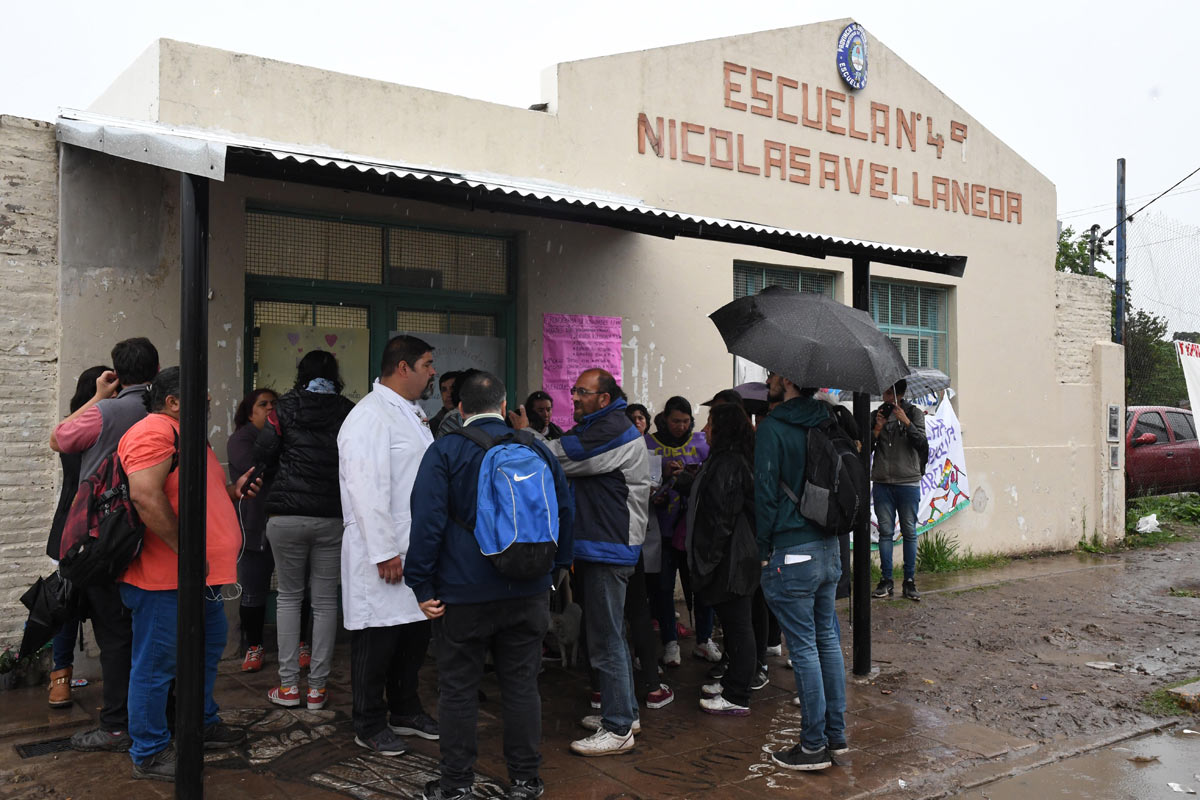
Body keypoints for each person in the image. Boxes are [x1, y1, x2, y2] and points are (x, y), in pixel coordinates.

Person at [407, 370, 574, 800]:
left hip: (463, 593)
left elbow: (426, 524)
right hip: (528, 589)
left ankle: (457, 785)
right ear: (504, 407)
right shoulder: (536, 449)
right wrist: (556, 569)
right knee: (521, 685)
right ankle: (524, 781)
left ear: (460, 409)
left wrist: (421, 585)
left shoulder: (444, 451)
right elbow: (565, 511)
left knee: (458, 688)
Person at [118, 367, 255, 781]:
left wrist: (231, 493)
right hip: (165, 579)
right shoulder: (154, 431)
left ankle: (200, 722)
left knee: (207, 651)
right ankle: (150, 749)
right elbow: (144, 494)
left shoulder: (187, 435)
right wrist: (188, 553)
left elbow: (189, 494)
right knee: (156, 665)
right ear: (174, 402)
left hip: (199, 579)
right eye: (203, 397)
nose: (211, 403)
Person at [513, 369, 650, 757]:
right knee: (610, 634)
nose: (573, 397)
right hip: (602, 545)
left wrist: (524, 432)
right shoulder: (601, 425)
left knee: (606, 637)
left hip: (610, 547)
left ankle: (618, 726)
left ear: (604, 398)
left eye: (582, 392)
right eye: (573, 390)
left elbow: (559, 457)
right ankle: (623, 711)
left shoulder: (611, 429)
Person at [52, 336, 159, 753]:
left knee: (114, 635)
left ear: (116, 370)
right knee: (149, 629)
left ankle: (117, 723)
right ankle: (154, 713)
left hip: (106, 538)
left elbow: (59, 438)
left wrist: (97, 397)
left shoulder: (104, 413)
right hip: (153, 531)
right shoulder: (163, 410)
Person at [338, 335, 440, 756]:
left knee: (412, 637)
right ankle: (367, 720)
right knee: (376, 641)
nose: (433, 372)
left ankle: (405, 708)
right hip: (383, 551)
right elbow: (366, 488)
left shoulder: (412, 413)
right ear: (403, 367)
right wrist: (384, 551)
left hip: (414, 549)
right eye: (427, 364)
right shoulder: (369, 416)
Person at [254, 351, 355, 711]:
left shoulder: (284, 408)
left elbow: (264, 452)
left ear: (301, 374)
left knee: (288, 598)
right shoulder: (347, 410)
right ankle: (316, 690)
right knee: (326, 601)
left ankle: (287, 687)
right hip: (331, 514)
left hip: (286, 515)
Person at [755, 372, 846, 771]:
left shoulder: (774, 426)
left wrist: (761, 549)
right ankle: (836, 738)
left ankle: (812, 747)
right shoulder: (829, 419)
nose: (769, 380)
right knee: (826, 641)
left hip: (793, 549)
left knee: (805, 648)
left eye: (773, 374)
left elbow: (764, 491)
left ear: (789, 379)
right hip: (829, 548)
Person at [688, 403, 760, 716]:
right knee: (734, 626)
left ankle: (737, 695)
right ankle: (734, 682)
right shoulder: (730, 459)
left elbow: (720, 517)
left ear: (724, 428)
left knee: (738, 625)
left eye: (710, 423)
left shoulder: (730, 463)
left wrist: (708, 561)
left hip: (732, 559)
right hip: (733, 556)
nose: (704, 430)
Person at [45, 365, 111, 709]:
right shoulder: (87, 425)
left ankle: (64, 681)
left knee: (77, 608)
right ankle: (64, 679)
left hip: (77, 530)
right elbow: (60, 435)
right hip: (83, 529)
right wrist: (100, 399)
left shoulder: (90, 423)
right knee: (77, 607)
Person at [645, 396, 720, 666]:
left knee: (700, 587)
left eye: (686, 421)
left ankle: (704, 639)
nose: (681, 426)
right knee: (663, 588)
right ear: (665, 419)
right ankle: (670, 643)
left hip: (694, 530)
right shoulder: (649, 444)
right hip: (662, 531)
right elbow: (643, 482)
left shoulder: (701, 443)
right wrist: (664, 476)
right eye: (676, 421)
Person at [226, 388, 278, 672]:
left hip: (284, 521)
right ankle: (254, 647)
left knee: (300, 589)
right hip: (254, 524)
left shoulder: (283, 434)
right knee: (253, 591)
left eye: (274, 404)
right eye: (263, 404)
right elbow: (255, 470)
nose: (270, 408)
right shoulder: (241, 439)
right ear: (250, 412)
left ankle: (302, 645)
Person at [870, 378, 928, 602]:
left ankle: (909, 581)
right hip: (883, 481)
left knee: (909, 532)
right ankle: (886, 581)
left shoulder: (914, 413)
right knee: (885, 533)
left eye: (888, 393)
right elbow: (867, 446)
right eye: (884, 393)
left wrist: (907, 423)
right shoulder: (877, 414)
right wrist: (877, 428)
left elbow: (922, 444)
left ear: (899, 394)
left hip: (908, 481)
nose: (885, 397)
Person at [436, 371, 470, 440]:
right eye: (444, 390)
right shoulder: (433, 424)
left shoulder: (470, 417)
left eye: (453, 388)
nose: (449, 394)